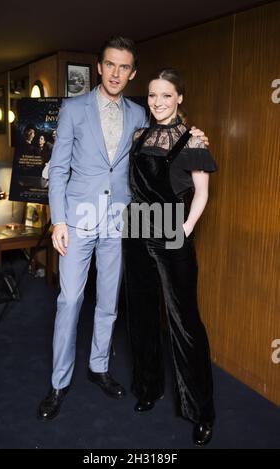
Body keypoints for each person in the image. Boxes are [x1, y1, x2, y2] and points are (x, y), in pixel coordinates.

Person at [37, 37, 209, 421]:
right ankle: (58, 382)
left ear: (132, 73)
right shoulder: (73, 108)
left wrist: (196, 137)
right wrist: (58, 221)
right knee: (68, 301)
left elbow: (167, 137)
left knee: (109, 303)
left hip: (123, 223)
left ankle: (99, 367)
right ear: (99, 67)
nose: (116, 73)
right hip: (77, 222)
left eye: (124, 67)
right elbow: (60, 167)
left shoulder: (138, 113)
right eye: (110, 65)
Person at [122, 68, 217, 446]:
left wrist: (186, 228)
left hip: (171, 233)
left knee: (184, 322)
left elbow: (202, 193)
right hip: (137, 230)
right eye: (152, 96)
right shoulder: (138, 135)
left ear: (179, 98)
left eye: (166, 95)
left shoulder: (193, 139)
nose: (158, 102)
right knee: (141, 315)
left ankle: (201, 410)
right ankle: (148, 388)